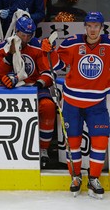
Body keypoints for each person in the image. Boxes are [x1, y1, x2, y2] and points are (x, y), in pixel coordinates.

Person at [42, 12, 110, 199]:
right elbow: (55, 66)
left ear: (102, 27)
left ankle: (94, 178)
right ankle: (76, 177)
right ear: (85, 27)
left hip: (97, 103)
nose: (93, 29)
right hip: (72, 102)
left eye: (96, 26)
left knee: (101, 140)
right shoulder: (71, 43)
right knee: (73, 142)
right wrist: (48, 52)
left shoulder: (108, 44)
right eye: (89, 25)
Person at [0, 16, 57, 168]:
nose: (26, 38)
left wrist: (40, 84)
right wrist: (8, 58)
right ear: (16, 31)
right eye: (23, 35)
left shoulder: (38, 47)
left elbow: (48, 72)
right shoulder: (2, 47)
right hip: (10, 91)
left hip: (34, 88)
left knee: (47, 106)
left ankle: (43, 150)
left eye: (29, 35)